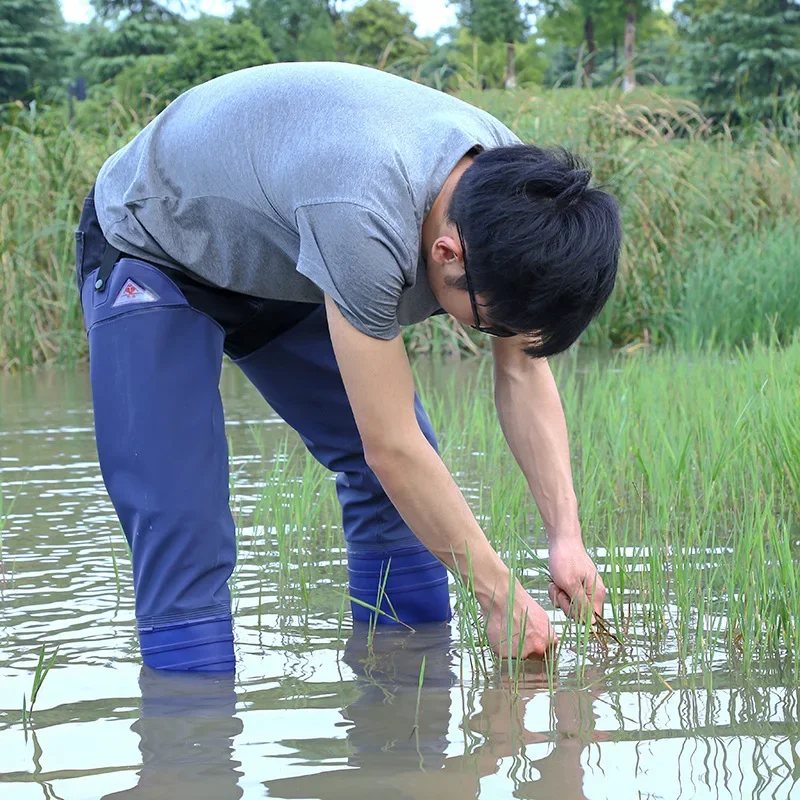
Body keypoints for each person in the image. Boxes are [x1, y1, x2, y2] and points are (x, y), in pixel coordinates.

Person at [75, 61, 621, 672]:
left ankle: (403, 730)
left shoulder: (522, 199)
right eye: (486, 324)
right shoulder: (364, 216)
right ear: (447, 254)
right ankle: (189, 750)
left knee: (405, 501)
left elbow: (521, 372)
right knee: (183, 527)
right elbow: (390, 445)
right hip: (155, 241)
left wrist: (565, 539)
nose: (492, 337)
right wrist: (498, 594)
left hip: (287, 246)